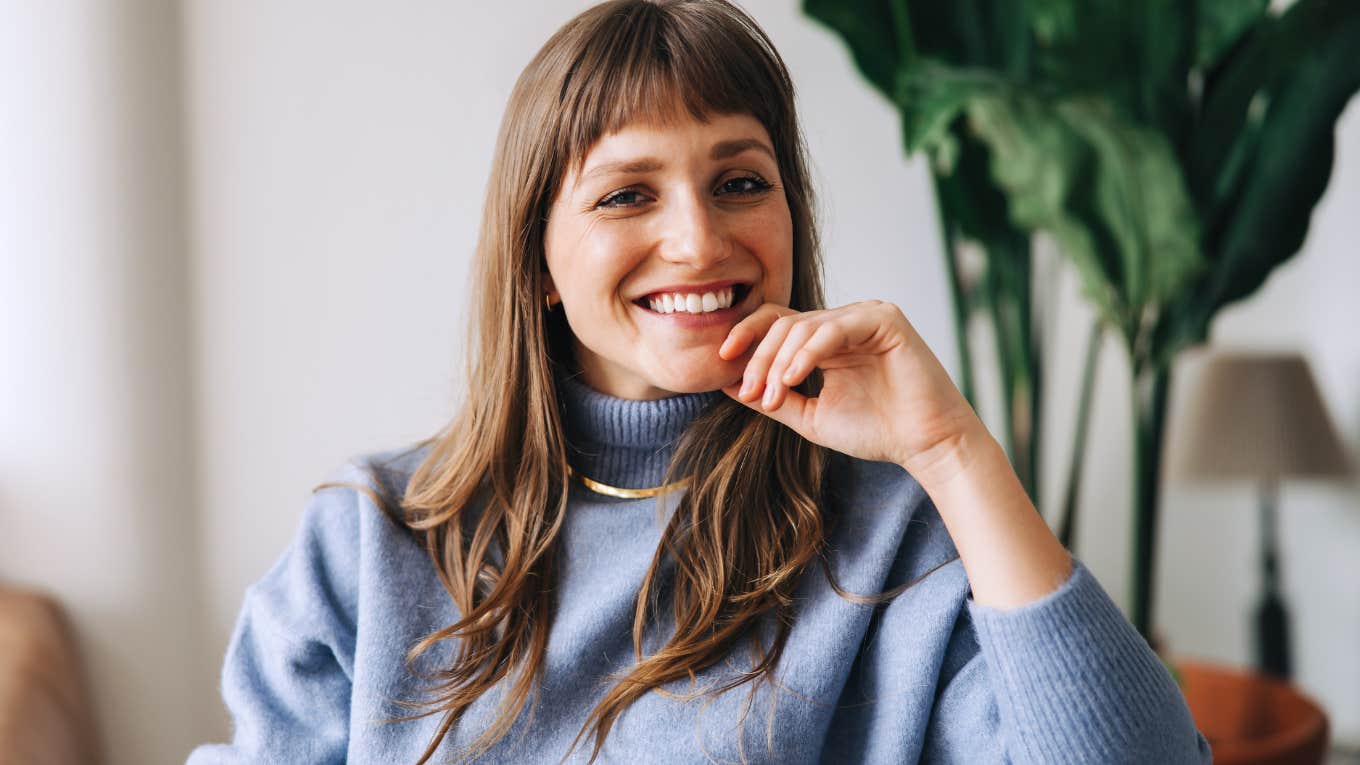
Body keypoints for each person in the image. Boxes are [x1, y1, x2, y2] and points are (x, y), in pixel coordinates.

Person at [188, 1, 1214, 763]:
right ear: (539, 261)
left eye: (739, 183)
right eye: (627, 193)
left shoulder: (897, 537)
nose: (697, 239)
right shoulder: (371, 543)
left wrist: (954, 454)